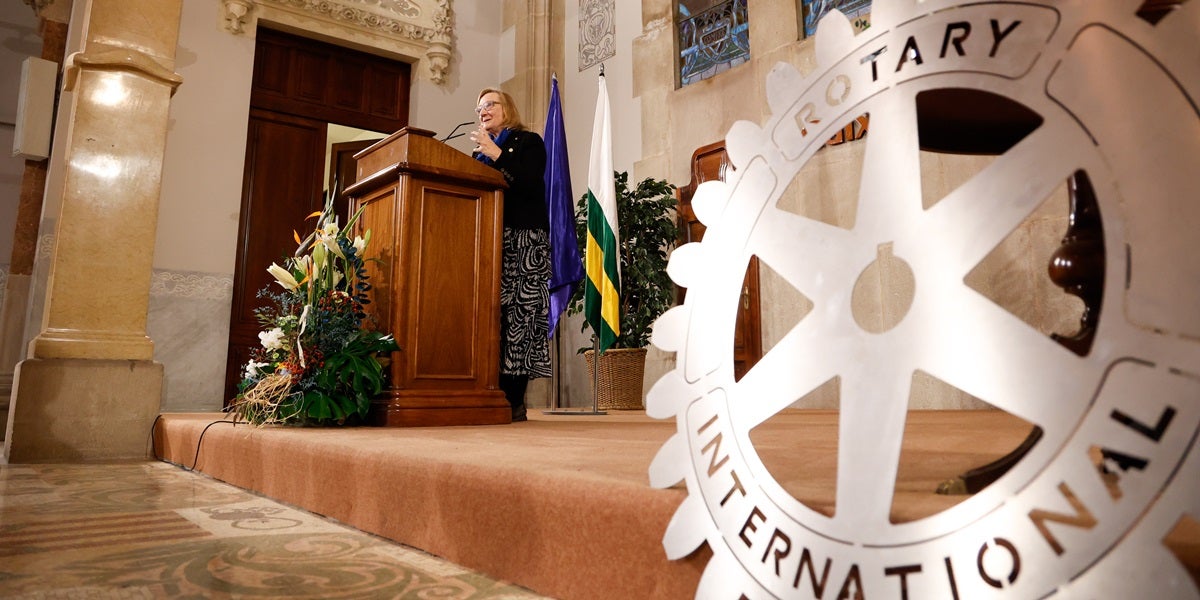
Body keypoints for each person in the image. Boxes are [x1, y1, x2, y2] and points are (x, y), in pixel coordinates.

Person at [469, 87, 552, 422]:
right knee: (493, 318)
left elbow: (531, 182)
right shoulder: (478, 155)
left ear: (507, 107)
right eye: (479, 108)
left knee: (520, 318)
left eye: (489, 104)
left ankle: (514, 397)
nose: (483, 111)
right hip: (490, 240)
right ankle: (489, 392)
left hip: (524, 241)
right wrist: (487, 153)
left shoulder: (529, 142)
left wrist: (497, 153)